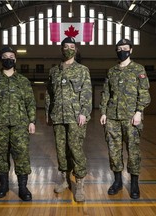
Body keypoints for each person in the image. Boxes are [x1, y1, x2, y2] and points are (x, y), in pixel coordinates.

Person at [0, 47, 36, 201]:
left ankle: (23, 188)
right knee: (0, 155)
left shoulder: (23, 81)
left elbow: (30, 102)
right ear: (0, 59)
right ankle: (4, 186)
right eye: (5, 56)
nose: (8, 59)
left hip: (20, 124)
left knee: (22, 155)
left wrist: (32, 121)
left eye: (11, 56)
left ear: (15, 60)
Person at [99, 39, 151, 199]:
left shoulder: (138, 69)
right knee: (114, 151)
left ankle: (134, 183)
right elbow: (106, 93)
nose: (122, 51)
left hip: (131, 117)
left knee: (133, 151)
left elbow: (144, 92)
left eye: (125, 48)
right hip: (112, 118)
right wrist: (103, 112)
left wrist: (138, 111)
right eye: (119, 48)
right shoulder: (112, 71)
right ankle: (117, 181)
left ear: (131, 50)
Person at [45, 37, 92, 202]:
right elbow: (49, 94)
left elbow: (86, 93)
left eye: (72, 46)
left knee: (75, 149)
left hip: (75, 116)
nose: (69, 49)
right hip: (58, 115)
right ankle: (64, 179)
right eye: (66, 46)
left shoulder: (82, 70)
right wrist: (48, 114)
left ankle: (79, 183)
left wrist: (84, 113)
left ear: (76, 49)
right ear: (61, 49)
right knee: (60, 149)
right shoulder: (53, 71)